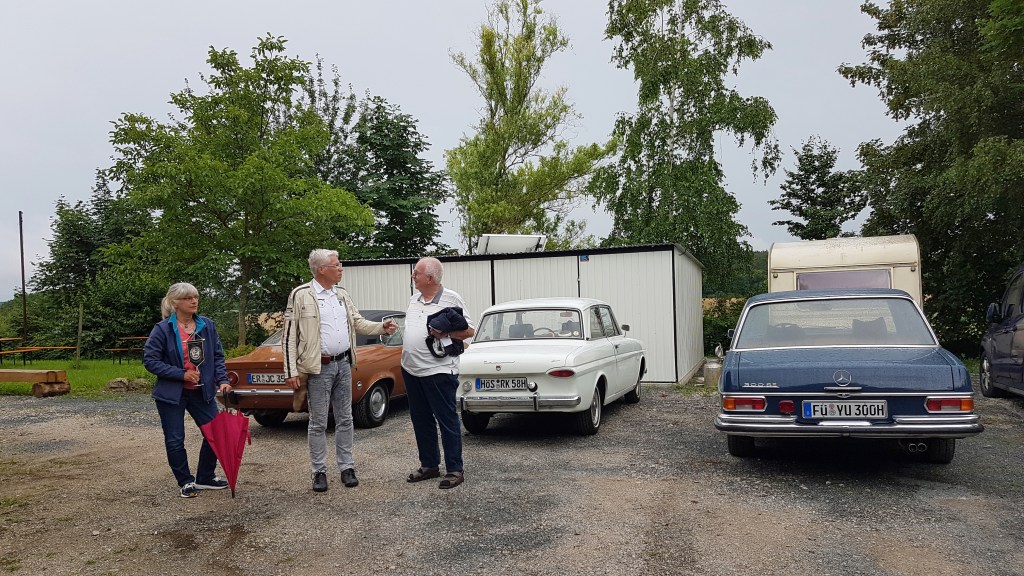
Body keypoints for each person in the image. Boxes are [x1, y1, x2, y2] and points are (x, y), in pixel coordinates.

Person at [283, 249, 398, 493]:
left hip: (344, 364)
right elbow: (289, 336)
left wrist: (381, 327)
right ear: (321, 269)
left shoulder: (342, 294)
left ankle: (347, 467)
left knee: (345, 418)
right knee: (318, 422)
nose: (341, 268)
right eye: (336, 265)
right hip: (318, 368)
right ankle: (319, 472)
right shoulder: (301, 295)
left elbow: (357, 322)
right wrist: (291, 370)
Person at [143, 282, 233, 498]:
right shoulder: (162, 329)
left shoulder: (207, 325)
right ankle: (185, 481)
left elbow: (217, 356)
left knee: (216, 432)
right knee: (175, 439)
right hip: (172, 393)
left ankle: (205, 476)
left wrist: (222, 380)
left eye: (195, 297)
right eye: (187, 298)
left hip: (201, 391)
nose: (194, 301)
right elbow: (150, 361)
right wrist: (181, 374)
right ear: (175, 303)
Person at [402, 257, 475, 489]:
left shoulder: (451, 298)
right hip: (411, 369)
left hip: (439, 371)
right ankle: (429, 465)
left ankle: (454, 469)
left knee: (446, 420)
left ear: (430, 278)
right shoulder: (414, 299)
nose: (413, 276)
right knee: (421, 419)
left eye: (416, 273)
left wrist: (445, 333)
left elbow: (469, 331)